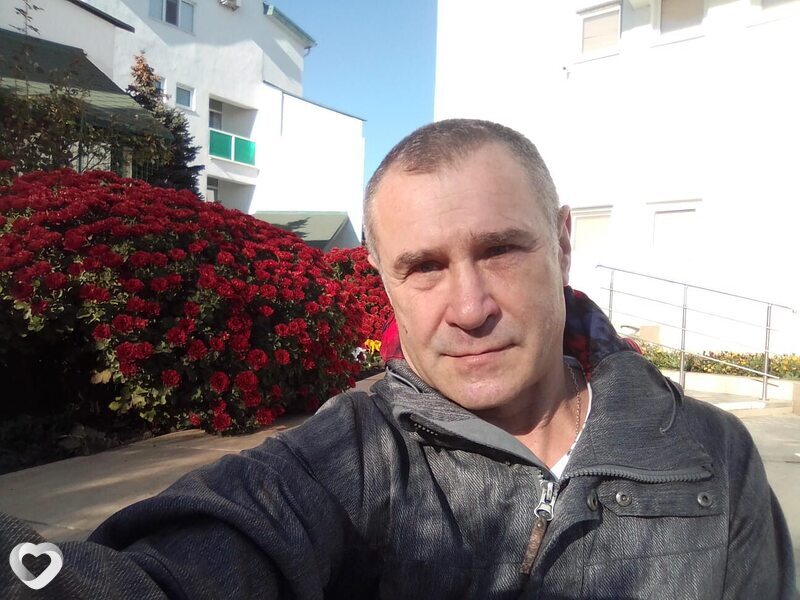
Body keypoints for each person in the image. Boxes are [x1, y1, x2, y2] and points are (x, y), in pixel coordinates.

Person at [1, 119, 795, 598]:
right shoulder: (346, 456)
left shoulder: (712, 454)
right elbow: (187, 566)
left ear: (561, 243)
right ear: (383, 278)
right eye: (423, 267)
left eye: (501, 250)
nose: (470, 306)